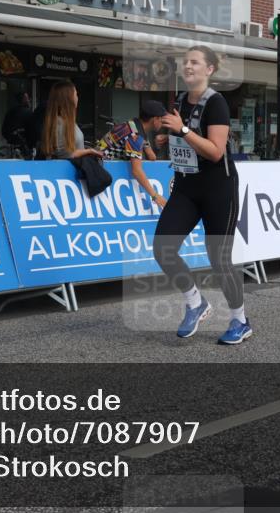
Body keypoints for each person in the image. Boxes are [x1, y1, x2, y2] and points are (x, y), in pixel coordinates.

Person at [153, 46, 250, 345]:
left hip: (218, 188)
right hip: (186, 186)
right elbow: (185, 141)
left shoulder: (216, 103)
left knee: (219, 258)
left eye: (195, 62)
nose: (188, 66)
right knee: (163, 247)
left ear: (209, 70)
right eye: (185, 62)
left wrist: (181, 130)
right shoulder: (180, 100)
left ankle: (240, 320)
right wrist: (167, 137)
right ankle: (195, 302)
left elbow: (215, 150)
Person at [96, 100, 169, 209]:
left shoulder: (133, 124)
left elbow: (152, 156)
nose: (163, 123)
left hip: (104, 166)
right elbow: (136, 170)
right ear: (155, 119)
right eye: (162, 119)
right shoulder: (135, 135)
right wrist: (155, 196)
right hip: (100, 170)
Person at [39, 81, 102, 160]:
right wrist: (89, 151)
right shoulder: (60, 124)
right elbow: (66, 156)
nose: (77, 98)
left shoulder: (65, 122)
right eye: (76, 94)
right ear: (68, 99)